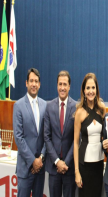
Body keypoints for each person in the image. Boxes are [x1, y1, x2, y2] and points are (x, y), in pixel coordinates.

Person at [13, 68, 47, 197]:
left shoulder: (45, 105)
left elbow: (46, 136)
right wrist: (33, 161)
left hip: (40, 169)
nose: (34, 84)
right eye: (31, 81)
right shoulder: (18, 106)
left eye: (36, 81)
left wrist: (40, 159)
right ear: (26, 83)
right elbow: (18, 137)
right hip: (25, 169)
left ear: (39, 84)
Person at [44, 70, 77, 197]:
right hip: (53, 167)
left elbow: (76, 138)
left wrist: (66, 163)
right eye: (60, 84)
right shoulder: (49, 107)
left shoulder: (76, 107)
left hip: (69, 169)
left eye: (65, 84)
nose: (62, 88)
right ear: (57, 85)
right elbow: (46, 137)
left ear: (69, 86)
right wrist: (57, 162)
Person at [74, 72, 106, 197]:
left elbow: (105, 137)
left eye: (93, 88)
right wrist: (77, 171)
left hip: (99, 165)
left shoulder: (102, 109)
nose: (91, 91)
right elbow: (76, 143)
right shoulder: (79, 113)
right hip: (84, 166)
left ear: (97, 89)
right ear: (83, 90)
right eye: (88, 88)